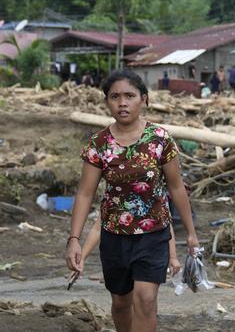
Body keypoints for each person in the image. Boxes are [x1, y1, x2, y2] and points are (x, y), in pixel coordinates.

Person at [65, 69, 199, 332]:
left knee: (146, 300)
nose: (122, 102)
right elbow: (85, 193)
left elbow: (176, 187)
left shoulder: (160, 139)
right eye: (115, 96)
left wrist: (191, 234)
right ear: (107, 102)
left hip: (153, 234)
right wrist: (74, 240)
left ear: (144, 99)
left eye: (130, 95)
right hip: (114, 235)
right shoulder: (98, 144)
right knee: (120, 301)